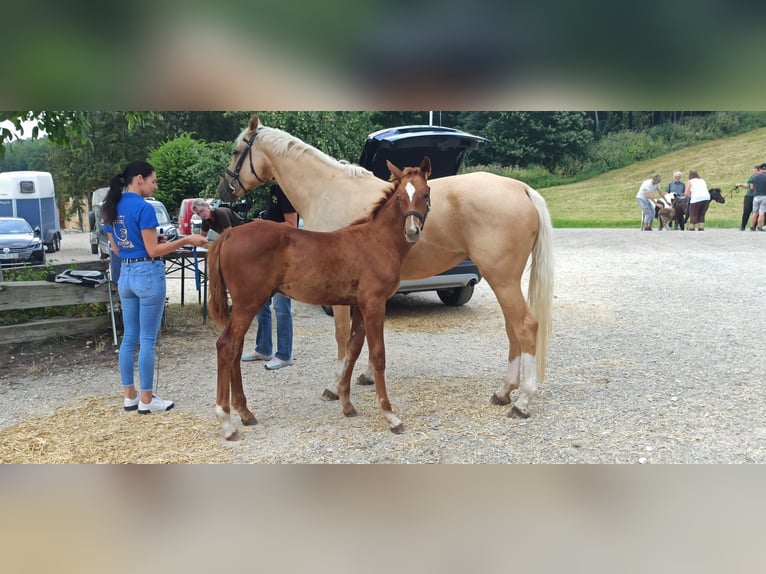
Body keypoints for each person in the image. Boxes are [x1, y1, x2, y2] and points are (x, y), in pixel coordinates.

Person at [102, 161, 207, 414]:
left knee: (129, 338)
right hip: (148, 274)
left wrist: (149, 242)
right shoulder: (143, 208)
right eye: (153, 181)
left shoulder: (110, 206)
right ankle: (147, 400)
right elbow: (152, 250)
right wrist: (186, 239)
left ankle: (130, 396)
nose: (155, 186)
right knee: (148, 340)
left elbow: (116, 248)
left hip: (125, 273)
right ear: (139, 178)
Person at [241, 184, 297, 370]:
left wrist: (263, 226)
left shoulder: (286, 189)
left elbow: (291, 224)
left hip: (283, 256)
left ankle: (284, 354)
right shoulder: (274, 189)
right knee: (261, 303)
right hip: (269, 254)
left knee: (281, 306)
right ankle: (263, 348)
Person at [736, 165, 759, 231]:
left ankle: (753, 226)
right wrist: (741, 185)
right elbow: (748, 186)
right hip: (749, 196)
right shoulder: (753, 176)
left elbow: (751, 186)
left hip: (754, 196)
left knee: (755, 212)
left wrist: (741, 184)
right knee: (747, 211)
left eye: (755, 171)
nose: (754, 173)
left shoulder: (759, 177)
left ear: (759, 170)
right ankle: (743, 226)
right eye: (753, 171)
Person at [748, 162, 766, 231]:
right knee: (761, 212)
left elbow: (752, 187)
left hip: (756, 197)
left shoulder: (755, 177)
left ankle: (752, 227)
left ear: (760, 169)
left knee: (755, 212)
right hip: (764, 196)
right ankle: (760, 227)